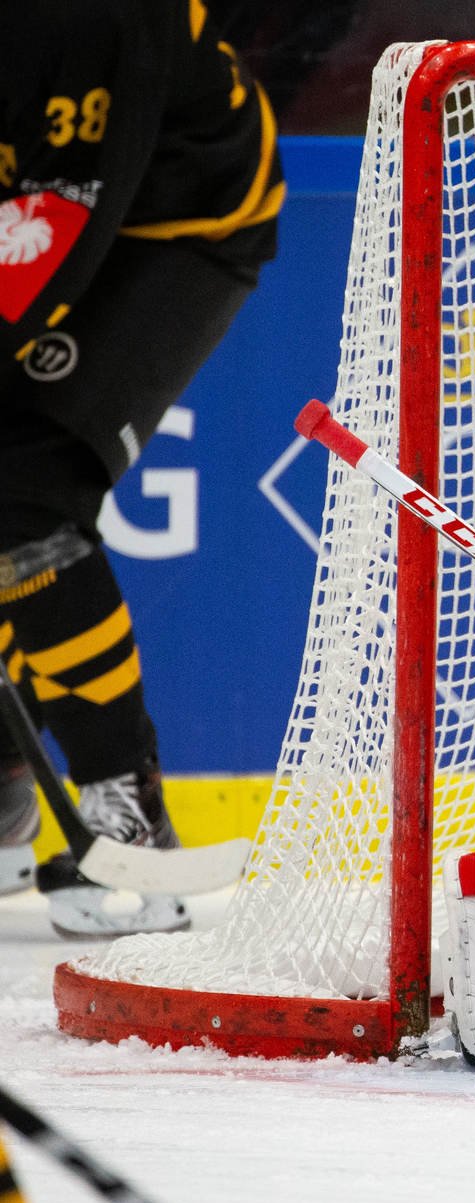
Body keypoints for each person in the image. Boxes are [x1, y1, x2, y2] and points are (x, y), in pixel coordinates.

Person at [0, 1, 283, 937]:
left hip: (177, 215)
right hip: (56, 197)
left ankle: (125, 813)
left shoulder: (72, 19)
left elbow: (63, 215)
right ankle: (7, 796)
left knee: (23, 492)